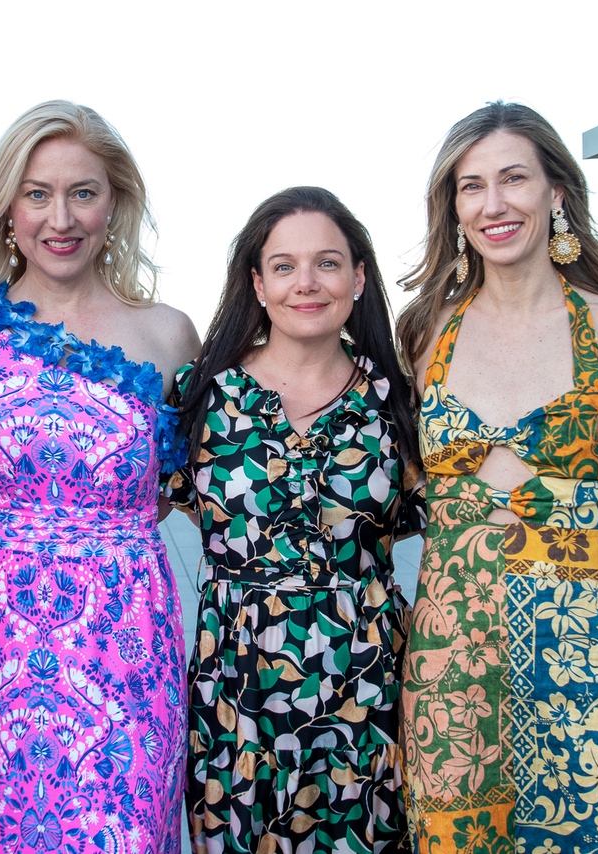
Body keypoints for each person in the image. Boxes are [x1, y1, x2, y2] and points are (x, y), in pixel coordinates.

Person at [395, 102, 598, 853]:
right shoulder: (424, 335)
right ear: (454, 208)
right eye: (471, 186)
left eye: (514, 179)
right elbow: (401, 486)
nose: (493, 204)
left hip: (595, 661)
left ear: (557, 194)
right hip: (453, 665)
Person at [0, 101, 201, 854]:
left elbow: (204, 490)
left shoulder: (168, 334)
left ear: (115, 204)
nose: (61, 217)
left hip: (128, 649)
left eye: (84, 192)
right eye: (37, 193)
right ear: (7, 208)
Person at [169, 186, 423, 853]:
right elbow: (114, 501)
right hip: (237, 693)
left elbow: (469, 501)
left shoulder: (400, 405)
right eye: (283, 266)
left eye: (328, 263)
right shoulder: (203, 397)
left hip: (367, 689)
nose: (305, 283)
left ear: (360, 277)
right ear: (256, 282)